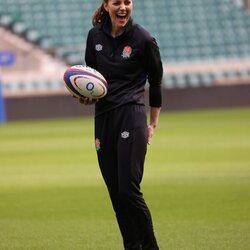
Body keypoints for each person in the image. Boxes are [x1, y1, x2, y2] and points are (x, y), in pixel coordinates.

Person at [79, 0, 163, 249]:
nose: (123, 7)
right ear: (106, 6)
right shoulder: (94, 36)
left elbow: (156, 81)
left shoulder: (143, 39)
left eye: (128, 2)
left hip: (132, 114)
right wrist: (83, 95)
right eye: (117, 2)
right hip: (103, 118)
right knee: (116, 195)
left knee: (128, 190)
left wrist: (153, 123)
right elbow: (92, 80)